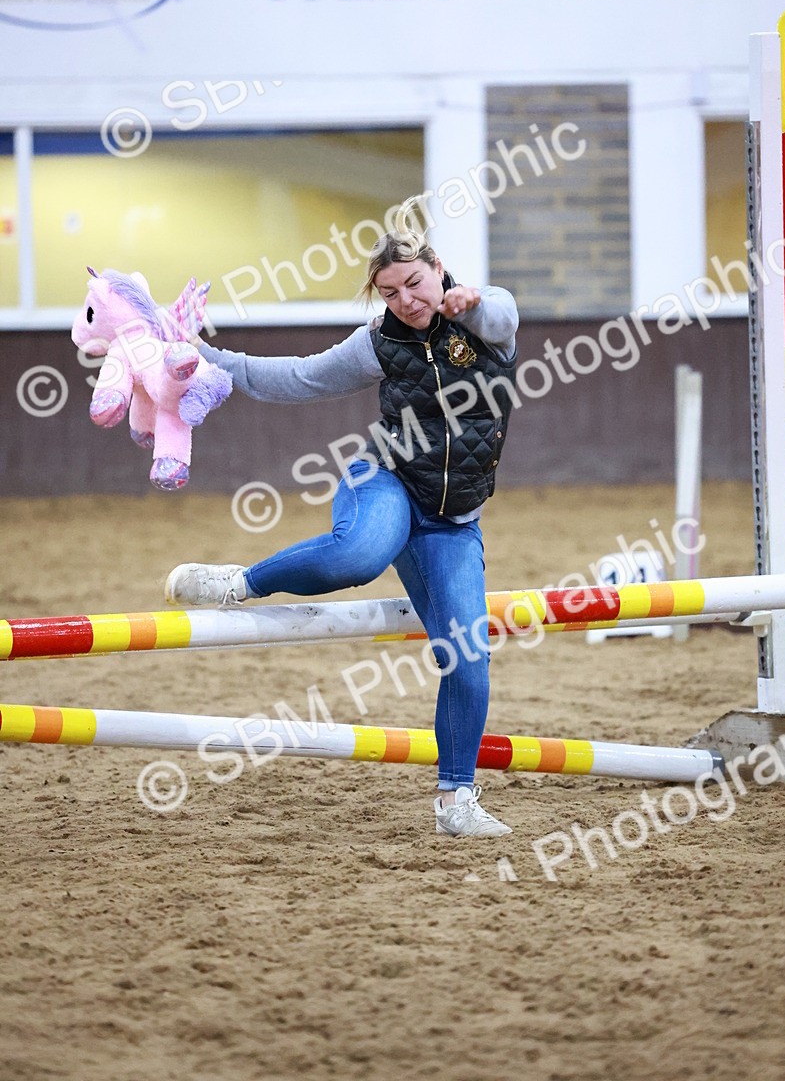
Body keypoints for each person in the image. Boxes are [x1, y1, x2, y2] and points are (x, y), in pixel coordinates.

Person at [165, 213, 519, 837]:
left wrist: (473, 300)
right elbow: (300, 377)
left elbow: (501, 317)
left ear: (438, 270)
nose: (406, 301)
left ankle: (456, 800)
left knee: (468, 654)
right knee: (359, 554)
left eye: (415, 283)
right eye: (389, 292)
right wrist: (207, 357)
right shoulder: (377, 340)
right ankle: (240, 583)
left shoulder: (485, 317)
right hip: (383, 479)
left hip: (453, 520)